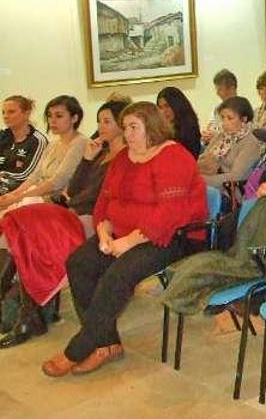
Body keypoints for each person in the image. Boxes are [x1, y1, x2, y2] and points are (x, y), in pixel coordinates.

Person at [42, 102, 207, 377]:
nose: (127, 133)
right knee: (79, 263)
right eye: (126, 127)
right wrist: (104, 231)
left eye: (134, 127)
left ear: (152, 127)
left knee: (116, 276)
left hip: (172, 237)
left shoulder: (173, 156)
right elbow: (104, 201)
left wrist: (127, 242)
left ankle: (78, 348)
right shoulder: (122, 158)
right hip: (121, 233)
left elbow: (170, 214)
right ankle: (106, 344)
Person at [161, 95, 266, 316]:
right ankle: (229, 278)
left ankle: (252, 273)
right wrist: (263, 186)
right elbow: (262, 170)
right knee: (229, 228)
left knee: (255, 233)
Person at [0, 100, 127, 348]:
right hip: (73, 210)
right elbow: (76, 187)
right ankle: (28, 314)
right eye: (100, 120)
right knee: (21, 228)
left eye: (107, 121)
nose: (100, 126)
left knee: (28, 229)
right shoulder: (99, 151)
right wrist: (88, 160)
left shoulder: (124, 156)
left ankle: (28, 315)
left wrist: (65, 202)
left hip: (95, 217)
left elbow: (96, 196)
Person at [0, 96, 87, 214]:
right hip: (36, 194)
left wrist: (17, 198)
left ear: (74, 118)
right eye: (49, 116)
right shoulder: (53, 144)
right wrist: (13, 195)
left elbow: (58, 181)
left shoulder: (80, 142)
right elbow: (35, 175)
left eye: (59, 116)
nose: (52, 120)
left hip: (57, 200)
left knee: (15, 210)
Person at [197, 96, 262, 190]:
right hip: (207, 183)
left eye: (230, 118)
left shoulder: (250, 143)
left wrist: (201, 180)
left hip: (229, 191)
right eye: (222, 118)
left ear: (244, 119)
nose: (224, 122)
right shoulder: (221, 136)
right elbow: (203, 159)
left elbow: (237, 176)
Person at [0, 96, 48, 196]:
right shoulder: (3, 136)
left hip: (22, 188)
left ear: (26, 113)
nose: (5, 116)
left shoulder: (38, 140)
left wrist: (3, 175)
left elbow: (27, 175)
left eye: (11, 112)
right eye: (3, 112)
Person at [156, 87, 201, 159]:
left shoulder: (189, 128)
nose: (163, 111)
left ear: (177, 105)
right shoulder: (161, 127)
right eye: (160, 107)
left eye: (167, 106)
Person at [202, 69, 238, 143]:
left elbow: (238, 136)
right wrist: (206, 135)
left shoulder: (242, 110)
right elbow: (210, 127)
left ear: (232, 89)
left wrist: (217, 137)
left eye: (220, 89)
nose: (217, 93)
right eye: (217, 89)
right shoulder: (218, 108)